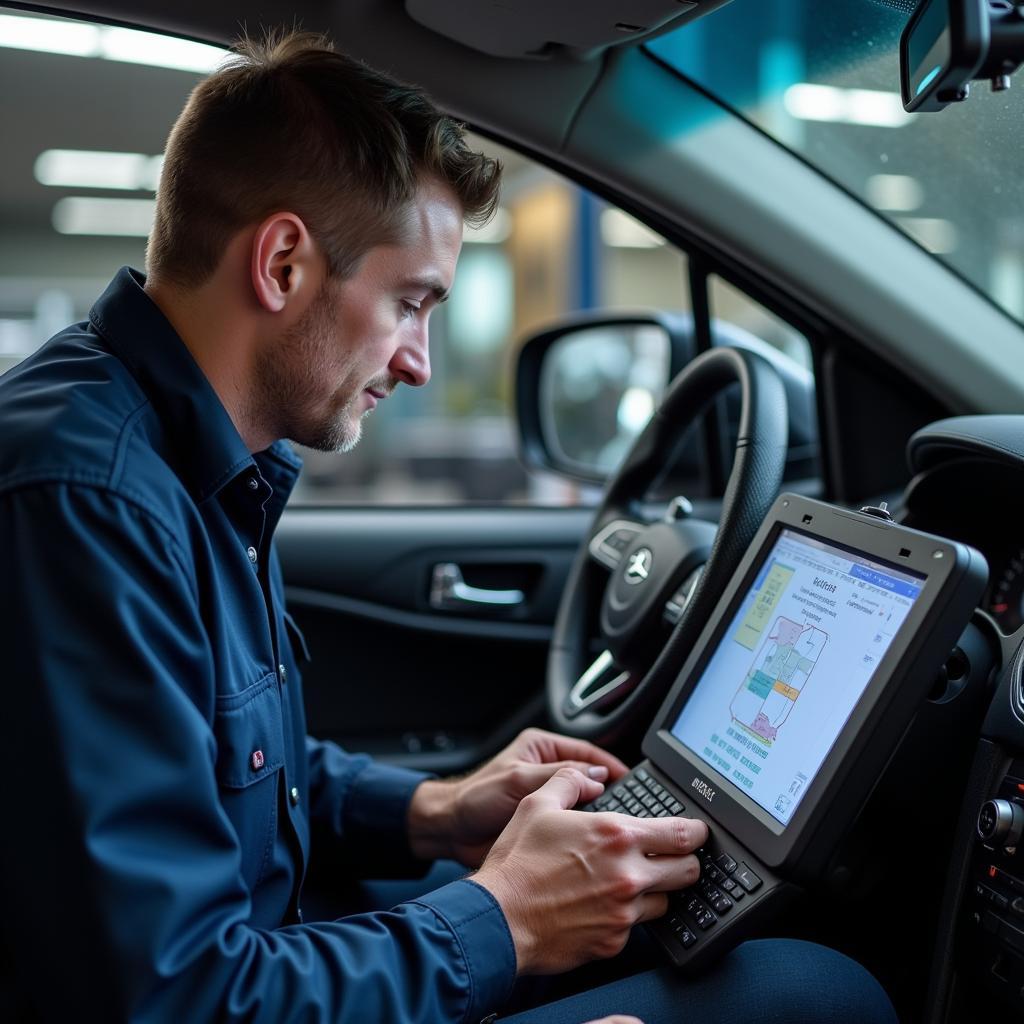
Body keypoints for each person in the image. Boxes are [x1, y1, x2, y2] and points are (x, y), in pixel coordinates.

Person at [0, 29, 898, 1024]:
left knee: (662, 918)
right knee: (818, 993)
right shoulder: (85, 504)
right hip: (218, 991)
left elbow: (220, 777)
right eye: (411, 302)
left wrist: (435, 812)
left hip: (255, 952)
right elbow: (174, 999)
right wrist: (504, 917)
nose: (420, 360)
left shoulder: (185, 462)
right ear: (284, 262)